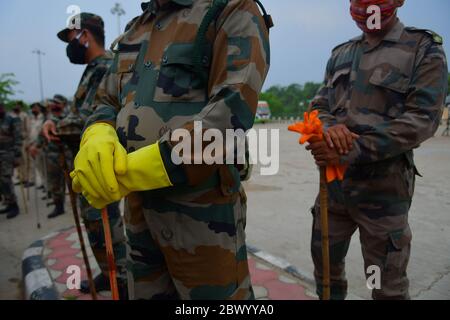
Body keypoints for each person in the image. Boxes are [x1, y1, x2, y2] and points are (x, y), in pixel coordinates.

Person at [71, 0, 271, 300]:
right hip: (139, 213)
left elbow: (233, 109)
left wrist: (138, 170)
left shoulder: (229, 9)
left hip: (202, 215)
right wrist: (98, 133)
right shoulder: (135, 29)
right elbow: (107, 100)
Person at [306, 0, 448, 299]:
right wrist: (331, 128)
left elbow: (422, 120)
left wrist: (351, 149)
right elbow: (319, 106)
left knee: (384, 286)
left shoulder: (422, 48)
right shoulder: (341, 53)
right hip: (333, 190)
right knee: (327, 276)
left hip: (384, 195)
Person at [45, 12, 128, 298]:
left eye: (71, 39)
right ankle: (109, 272)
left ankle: (122, 279)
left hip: (97, 165)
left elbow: (91, 118)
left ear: (85, 36)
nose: (70, 46)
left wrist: (55, 124)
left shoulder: (105, 68)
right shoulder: (93, 69)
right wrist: (54, 123)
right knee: (94, 224)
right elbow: (74, 113)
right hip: (85, 164)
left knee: (105, 223)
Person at [0, 102, 23, 219]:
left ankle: (14, 205)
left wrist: (17, 155)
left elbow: (18, 138)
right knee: (1, 182)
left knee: (6, 179)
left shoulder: (12, 119)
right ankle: (8, 203)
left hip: (8, 155)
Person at [11, 101, 30, 186]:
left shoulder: (24, 115)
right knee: (18, 160)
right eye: (15, 104)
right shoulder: (12, 116)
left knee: (25, 160)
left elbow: (28, 129)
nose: (16, 106)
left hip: (23, 141)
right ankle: (21, 178)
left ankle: (26, 179)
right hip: (14, 142)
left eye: (17, 105)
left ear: (20, 106)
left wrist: (27, 142)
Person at [27, 103, 45, 188]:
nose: (33, 110)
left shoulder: (43, 119)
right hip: (31, 144)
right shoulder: (31, 119)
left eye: (35, 108)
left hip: (39, 145)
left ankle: (45, 185)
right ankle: (38, 182)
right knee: (35, 165)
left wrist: (37, 145)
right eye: (32, 108)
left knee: (42, 165)